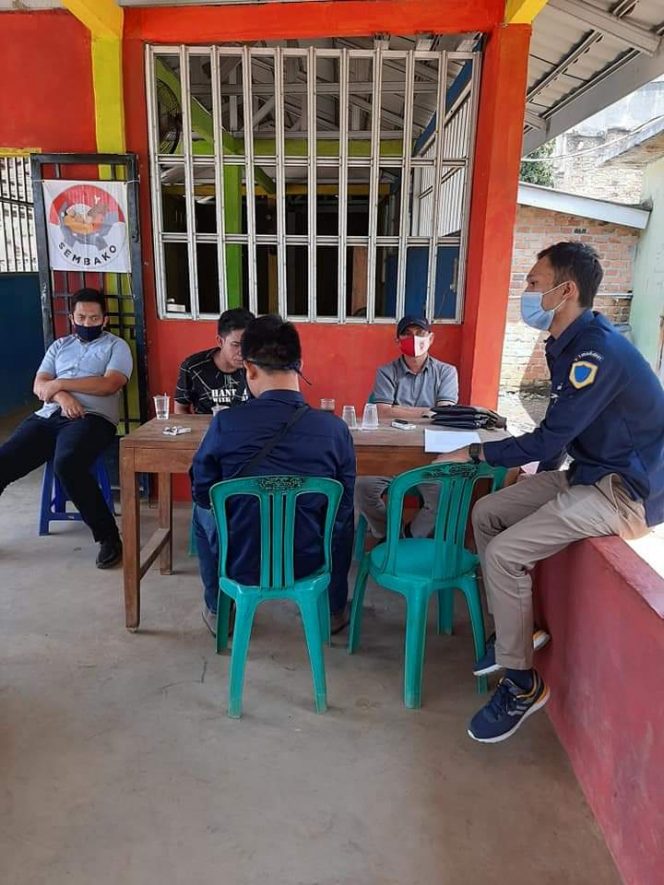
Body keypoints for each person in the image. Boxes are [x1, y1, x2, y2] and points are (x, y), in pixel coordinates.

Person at [437, 241, 664, 744]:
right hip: (588, 470)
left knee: (503, 554)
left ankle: (521, 683)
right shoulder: (565, 342)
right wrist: (541, 474)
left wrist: (472, 453)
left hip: (624, 490)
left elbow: (546, 437)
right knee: (490, 512)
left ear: (568, 290)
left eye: (535, 284)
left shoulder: (595, 352)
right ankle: (519, 634)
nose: (526, 292)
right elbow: (564, 431)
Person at [191, 314, 356, 636]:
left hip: (241, 558)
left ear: (249, 369)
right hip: (309, 560)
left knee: (200, 512)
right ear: (300, 365)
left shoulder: (225, 424)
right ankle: (334, 609)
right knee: (344, 515)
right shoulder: (335, 430)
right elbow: (344, 504)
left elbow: (201, 490)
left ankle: (219, 610)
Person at [0, 287, 133, 568]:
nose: (87, 323)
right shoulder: (59, 346)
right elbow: (40, 384)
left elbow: (109, 384)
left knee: (68, 463)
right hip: (49, 416)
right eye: (82, 317)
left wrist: (60, 383)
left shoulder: (115, 346)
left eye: (94, 318)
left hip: (92, 419)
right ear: (72, 317)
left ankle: (108, 537)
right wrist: (61, 395)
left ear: (105, 319)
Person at [355, 314, 459, 540]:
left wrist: (397, 409)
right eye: (407, 334)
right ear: (398, 340)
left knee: (445, 495)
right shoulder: (386, 372)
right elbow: (382, 411)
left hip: (430, 457)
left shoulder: (446, 372)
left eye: (420, 334)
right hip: (389, 455)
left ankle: (409, 537)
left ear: (430, 338)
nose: (415, 339)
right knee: (361, 487)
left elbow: (445, 413)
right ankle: (390, 534)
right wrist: (427, 411)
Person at [174, 307, 255, 414]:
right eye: (235, 345)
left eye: (247, 344)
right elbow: (181, 408)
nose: (242, 352)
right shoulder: (193, 367)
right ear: (220, 342)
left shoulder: (259, 366)